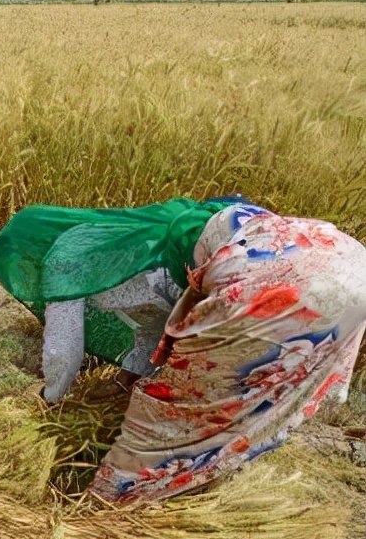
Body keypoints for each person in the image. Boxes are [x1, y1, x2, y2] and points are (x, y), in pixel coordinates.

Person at [90, 203, 366, 502]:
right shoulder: (259, 227)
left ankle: (112, 496)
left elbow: (181, 348)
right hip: (355, 271)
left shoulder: (207, 255)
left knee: (180, 405)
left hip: (280, 284)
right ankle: (222, 467)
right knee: (277, 391)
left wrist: (138, 380)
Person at [0, 197, 236, 403]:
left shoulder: (63, 263)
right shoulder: (92, 234)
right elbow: (154, 318)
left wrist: (51, 396)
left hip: (195, 277)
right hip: (206, 270)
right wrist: (125, 379)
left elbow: (65, 340)